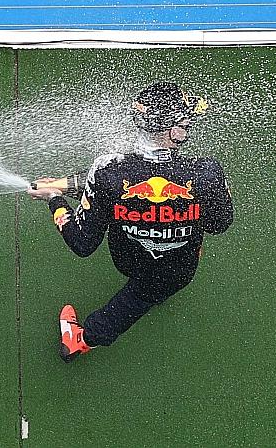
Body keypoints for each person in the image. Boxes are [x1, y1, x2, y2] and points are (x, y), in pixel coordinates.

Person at [28, 82, 233, 361]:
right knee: (141, 298)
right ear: (174, 131)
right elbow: (219, 224)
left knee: (142, 293)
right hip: (179, 270)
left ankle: (89, 335)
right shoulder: (206, 172)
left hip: (128, 259)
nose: (189, 124)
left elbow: (82, 243)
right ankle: (80, 341)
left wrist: (54, 197)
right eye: (186, 121)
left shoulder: (108, 170)